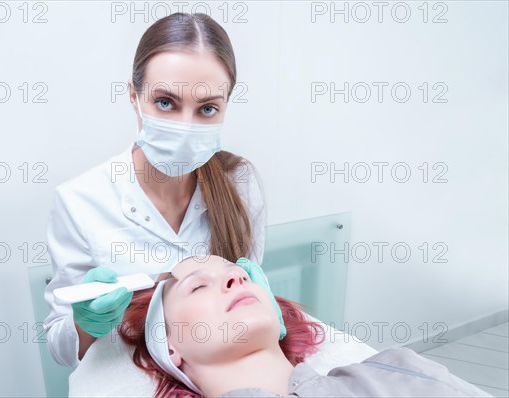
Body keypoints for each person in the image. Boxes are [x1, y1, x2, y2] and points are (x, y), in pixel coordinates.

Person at [43, 12, 267, 368]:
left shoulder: (239, 181)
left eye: (207, 108)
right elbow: (60, 347)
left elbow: (247, 306)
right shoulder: (80, 201)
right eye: (166, 102)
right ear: (134, 97)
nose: (185, 126)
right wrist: (85, 324)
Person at [118, 256, 493, 397]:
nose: (235, 279)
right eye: (198, 285)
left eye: (237, 274)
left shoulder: (397, 372)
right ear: (171, 348)